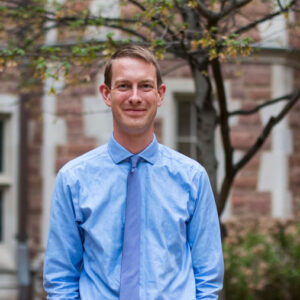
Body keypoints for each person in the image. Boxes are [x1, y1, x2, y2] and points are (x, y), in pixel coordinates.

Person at [43, 45, 224, 299]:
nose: (135, 97)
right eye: (124, 86)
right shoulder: (73, 180)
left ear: (160, 94)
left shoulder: (192, 178)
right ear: (106, 94)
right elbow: (60, 278)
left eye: (145, 86)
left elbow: (208, 277)